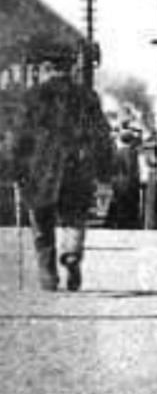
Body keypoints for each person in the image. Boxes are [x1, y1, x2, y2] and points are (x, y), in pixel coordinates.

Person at [13, 75, 114, 292]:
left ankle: (47, 274)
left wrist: (14, 168)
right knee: (75, 217)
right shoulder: (86, 96)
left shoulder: (33, 96)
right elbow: (102, 135)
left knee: (41, 220)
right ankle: (72, 252)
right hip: (76, 166)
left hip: (41, 168)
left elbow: (19, 136)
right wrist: (104, 169)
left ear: (47, 67)